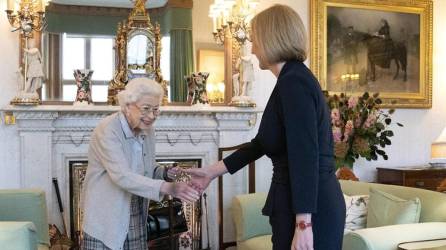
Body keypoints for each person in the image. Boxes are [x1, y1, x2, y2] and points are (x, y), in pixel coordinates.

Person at [186, 4, 346, 250]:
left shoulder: (294, 82)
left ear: (272, 37)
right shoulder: (289, 80)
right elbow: (262, 143)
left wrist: (303, 224)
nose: (252, 45)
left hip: (310, 211)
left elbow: (305, 155)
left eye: (255, 37)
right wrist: (210, 172)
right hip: (294, 204)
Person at [81, 78, 199, 250]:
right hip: (106, 214)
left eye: (156, 110)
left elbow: (146, 168)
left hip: (135, 210)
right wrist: (168, 188)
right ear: (127, 105)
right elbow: (121, 175)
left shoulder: (147, 129)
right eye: (146, 109)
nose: (151, 116)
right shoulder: (107, 130)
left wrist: (165, 173)